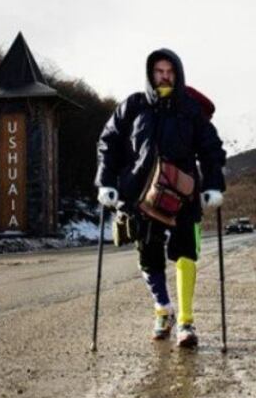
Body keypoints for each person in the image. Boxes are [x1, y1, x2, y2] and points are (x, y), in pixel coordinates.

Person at [95, 48, 226, 348]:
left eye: (170, 71)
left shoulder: (190, 108)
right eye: (159, 71)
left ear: (177, 74)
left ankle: (186, 322)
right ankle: (163, 309)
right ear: (150, 74)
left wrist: (213, 185)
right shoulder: (133, 105)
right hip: (140, 194)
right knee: (148, 256)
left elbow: (211, 148)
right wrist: (105, 181)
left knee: (185, 253)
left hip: (183, 193)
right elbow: (109, 142)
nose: (164, 76)